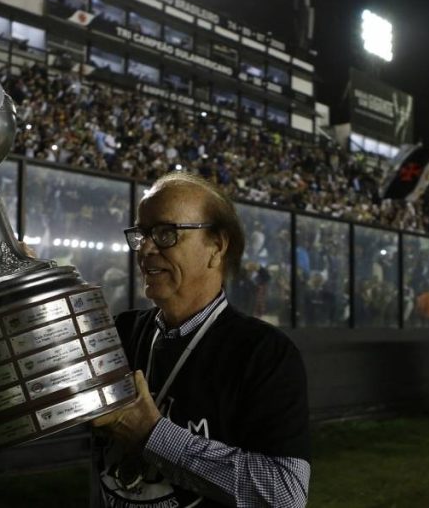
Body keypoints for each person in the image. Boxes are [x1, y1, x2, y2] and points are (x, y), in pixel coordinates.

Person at [90, 173, 311, 506]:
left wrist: (153, 436)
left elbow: (283, 494)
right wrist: (18, 288)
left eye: (166, 233)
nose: (147, 248)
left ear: (216, 247)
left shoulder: (264, 354)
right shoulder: (121, 332)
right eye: (142, 233)